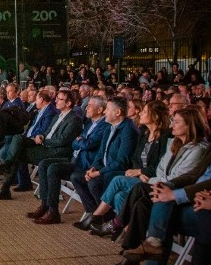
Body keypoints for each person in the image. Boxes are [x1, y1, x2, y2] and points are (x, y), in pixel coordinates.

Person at [120, 99, 211, 265]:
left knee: (161, 203)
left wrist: (174, 192)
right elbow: (194, 175)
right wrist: (170, 185)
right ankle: (150, 248)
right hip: (197, 199)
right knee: (160, 196)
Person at [86, 100, 171, 234]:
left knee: (117, 180)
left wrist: (141, 171)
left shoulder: (166, 138)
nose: (140, 114)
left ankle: (96, 217)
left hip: (153, 179)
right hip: (139, 177)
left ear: (155, 116)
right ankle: (128, 231)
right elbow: (135, 158)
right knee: (120, 196)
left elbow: (160, 165)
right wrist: (138, 172)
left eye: (144, 112)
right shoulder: (144, 132)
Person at [0, 89, 83, 200]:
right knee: (17, 138)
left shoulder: (75, 120)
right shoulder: (57, 116)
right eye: (56, 98)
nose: (55, 101)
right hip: (45, 144)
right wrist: (41, 136)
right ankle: (6, 178)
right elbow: (47, 132)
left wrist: (43, 140)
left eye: (59, 99)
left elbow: (62, 140)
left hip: (56, 151)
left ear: (69, 103)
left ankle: (5, 185)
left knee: (17, 153)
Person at [28, 95, 109, 224]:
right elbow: (75, 142)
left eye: (89, 105)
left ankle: (53, 212)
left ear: (99, 110)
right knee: (44, 164)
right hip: (75, 159)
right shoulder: (89, 124)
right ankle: (45, 205)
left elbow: (87, 144)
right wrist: (80, 141)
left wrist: (80, 141)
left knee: (53, 168)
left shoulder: (104, 126)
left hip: (85, 164)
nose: (86, 108)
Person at [70, 96, 139, 230]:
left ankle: (105, 218)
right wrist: (93, 168)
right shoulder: (110, 127)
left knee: (94, 182)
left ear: (117, 112)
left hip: (119, 171)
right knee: (76, 177)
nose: (105, 112)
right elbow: (101, 153)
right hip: (105, 169)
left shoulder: (128, 130)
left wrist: (98, 173)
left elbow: (122, 162)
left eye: (107, 109)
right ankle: (93, 213)